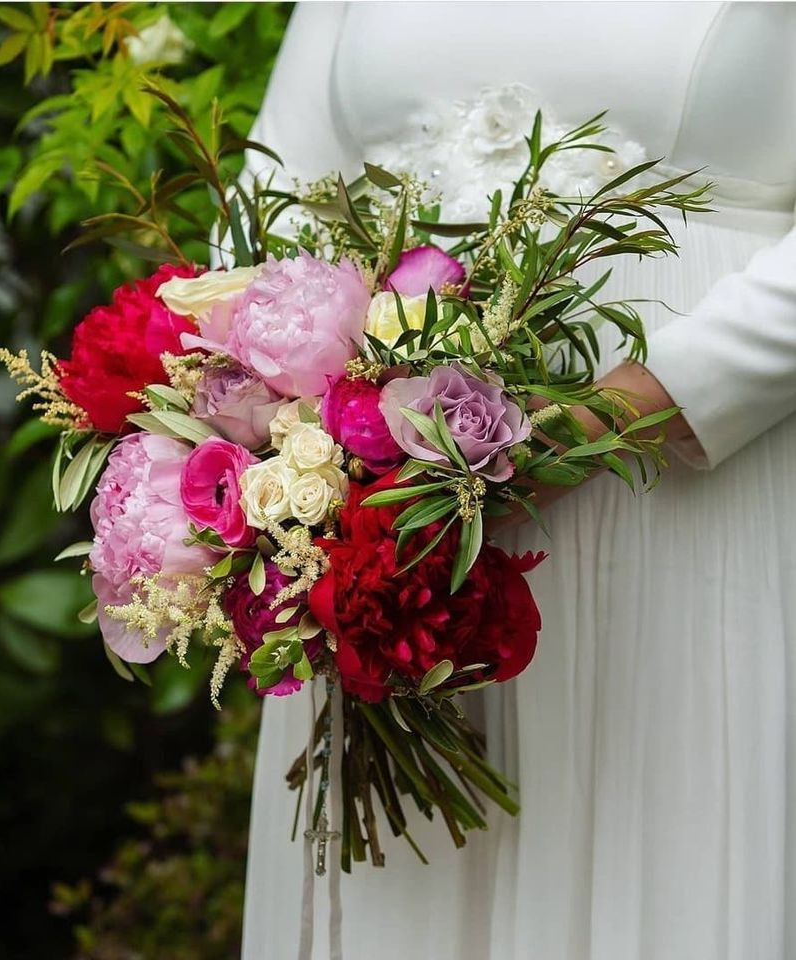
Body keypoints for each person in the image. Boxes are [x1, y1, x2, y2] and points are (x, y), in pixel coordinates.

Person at [239, 4, 796, 959]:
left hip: (686, 495)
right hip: (382, 522)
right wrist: (277, 430)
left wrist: (624, 408)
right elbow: (271, 191)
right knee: (402, 893)